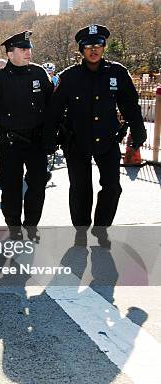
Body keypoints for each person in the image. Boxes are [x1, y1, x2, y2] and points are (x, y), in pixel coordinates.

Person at [45, 24, 146, 238]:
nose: (94, 49)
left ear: (103, 47)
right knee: (81, 189)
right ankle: (81, 230)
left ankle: (101, 228)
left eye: (98, 44)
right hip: (76, 141)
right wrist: (49, 139)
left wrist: (138, 130)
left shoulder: (117, 73)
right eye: (88, 45)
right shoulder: (69, 77)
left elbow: (130, 105)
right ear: (81, 49)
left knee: (112, 187)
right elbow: (54, 110)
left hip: (107, 140)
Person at [0, 31, 54, 240]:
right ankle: (13, 226)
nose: (28, 52)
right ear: (10, 54)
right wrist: (4, 119)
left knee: (38, 184)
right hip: (10, 142)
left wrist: (52, 137)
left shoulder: (39, 74)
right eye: (23, 49)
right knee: (11, 187)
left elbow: (51, 107)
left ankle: (31, 225)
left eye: (29, 49)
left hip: (37, 141)